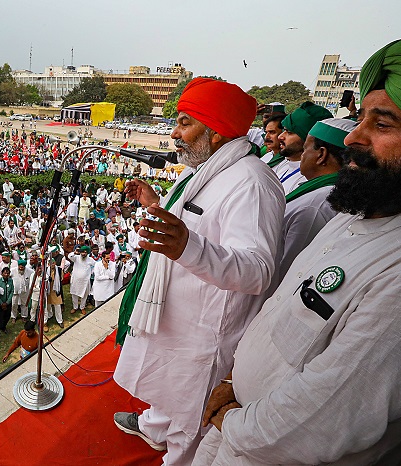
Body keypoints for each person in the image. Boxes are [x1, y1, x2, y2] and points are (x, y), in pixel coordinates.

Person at [193, 35, 401, 466]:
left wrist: (233, 421)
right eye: (361, 119)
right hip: (236, 423)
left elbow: (322, 417)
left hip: (266, 450)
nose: (355, 137)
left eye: (382, 124)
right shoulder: (358, 212)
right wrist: (235, 380)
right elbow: (282, 305)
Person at [112, 77, 285, 465]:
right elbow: (196, 225)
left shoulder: (251, 184)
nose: (174, 134)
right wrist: (157, 204)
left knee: (192, 422)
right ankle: (157, 430)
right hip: (179, 319)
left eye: (184, 123)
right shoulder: (208, 169)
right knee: (171, 396)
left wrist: (186, 247)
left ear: (217, 132)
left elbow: (258, 271)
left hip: (207, 332)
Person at [278, 118, 355, 281]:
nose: (302, 156)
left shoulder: (317, 205)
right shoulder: (322, 191)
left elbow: (287, 268)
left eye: (305, 149)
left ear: (321, 155)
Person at [273, 102, 333, 194]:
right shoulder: (284, 162)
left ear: (308, 138)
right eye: (284, 130)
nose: (280, 137)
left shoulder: (309, 176)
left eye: (289, 132)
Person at [0, 267, 13, 342]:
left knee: (7, 316)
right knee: (0, 319)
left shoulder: (11, 281)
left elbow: (12, 291)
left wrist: (7, 302)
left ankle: (3, 327)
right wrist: (1, 303)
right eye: (5, 273)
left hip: (8, 303)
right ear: (2, 273)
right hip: (0, 304)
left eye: (8, 273)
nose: (6, 274)